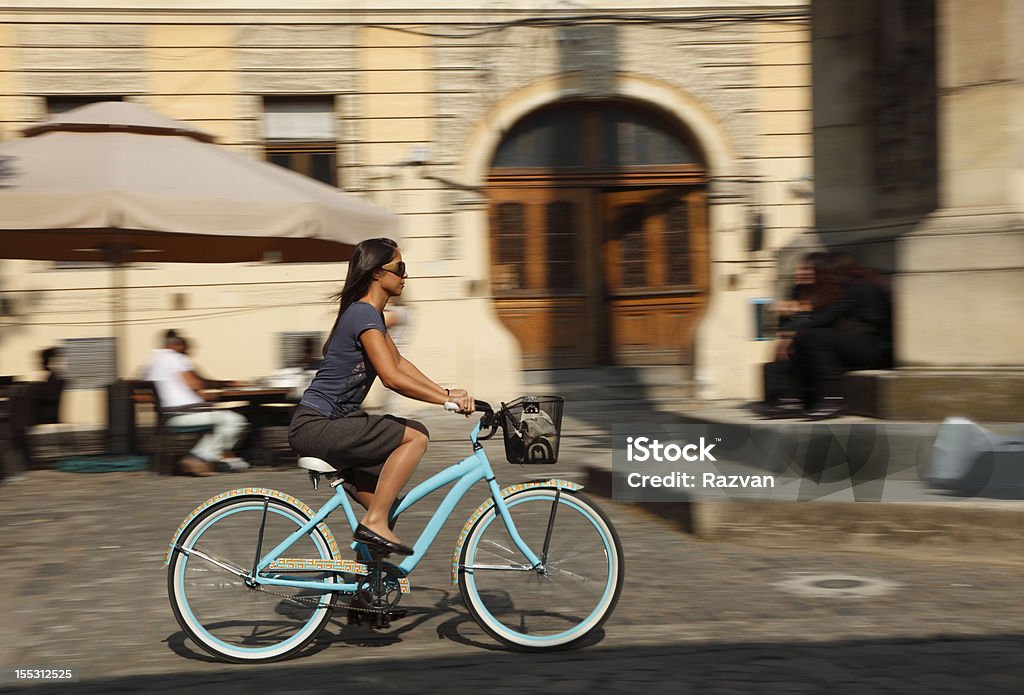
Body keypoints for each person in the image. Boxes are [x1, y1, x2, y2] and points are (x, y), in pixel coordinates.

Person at [288, 237, 475, 557]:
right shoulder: (363, 314)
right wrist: (444, 400)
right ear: (377, 273)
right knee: (415, 436)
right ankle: (373, 523)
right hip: (317, 425)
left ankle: (366, 599)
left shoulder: (368, 315)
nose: (405, 275)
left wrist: (446, 392)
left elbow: (401, 364)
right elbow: (390, 378)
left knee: (386, 508)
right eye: (399, 268)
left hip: (331, 425)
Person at [790, 252, 893, 420]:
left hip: (877, 349)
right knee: (803, 341)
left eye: (818, 272)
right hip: (864, 345)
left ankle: (832, 400)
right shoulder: (847, 289)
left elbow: (821, 319)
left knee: (813, 338)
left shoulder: (858, 289)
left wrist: (799, 312)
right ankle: (799, 400)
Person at [144, 329, 251, 476]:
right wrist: (206, 394)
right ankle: (199, 458)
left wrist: (214, 388)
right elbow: (195, 384)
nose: (187, 352)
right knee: (234, 420)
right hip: (182, 415)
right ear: (177, 345)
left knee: (216, 424)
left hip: (170, 416)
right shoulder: (175, 357)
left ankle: (217, 458)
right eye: (185, 348)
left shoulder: (154, 361)